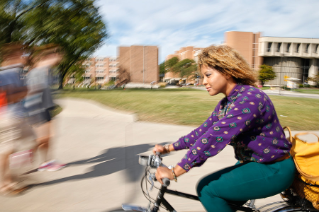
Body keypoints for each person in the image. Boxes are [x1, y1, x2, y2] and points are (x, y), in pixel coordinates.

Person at [153, 45, 295, 212]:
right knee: (219, 200)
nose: (204, 81)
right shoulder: (226, 103)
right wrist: (168, 148)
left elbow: (214, 136)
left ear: (227, 72)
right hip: (254, 163)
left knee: (208, 190)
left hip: (274, 168)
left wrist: (175, 171)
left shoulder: (250, 99)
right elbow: (203, 132)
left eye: (208, 75)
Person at [0, 43, 35, 195]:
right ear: (12, 57)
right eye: (23, 53)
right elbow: (6, 97)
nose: (26, 56)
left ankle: (12, 176)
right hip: (8, 116)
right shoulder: (5, 73)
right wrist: (26, 91)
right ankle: (4, 184)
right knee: (6, 150)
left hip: (18, 116)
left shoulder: (17, 71)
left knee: (31, 140)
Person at [24, 44, 65, 171]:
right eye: (57, 57)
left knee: (49, 136)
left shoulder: (49, 71)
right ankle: (32, 158)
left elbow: (48, 90)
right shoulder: (37, 72)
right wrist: (34, 112)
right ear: (50, 56)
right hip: (37, 109)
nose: (59, 60)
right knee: (43, 137)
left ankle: (47, 160)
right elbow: (30, 94)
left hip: (46, 107)